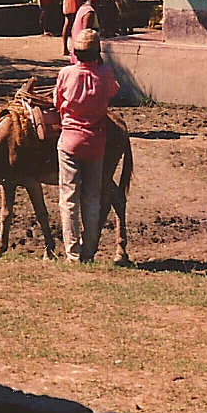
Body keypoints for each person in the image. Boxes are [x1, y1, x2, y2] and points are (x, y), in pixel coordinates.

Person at [55, 29, 120, 262]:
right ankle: (89, 251)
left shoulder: (65, 73)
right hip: (96, 144)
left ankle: (72, 253)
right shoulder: (106, 73)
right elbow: (113, 91)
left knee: (68, 197)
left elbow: (57, 101)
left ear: (75, 52)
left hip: (70, 142)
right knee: (92, 198)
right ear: (97, 52)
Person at [70, 0, 102, 64]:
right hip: (85, 53)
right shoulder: (89, 11)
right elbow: (87, 34)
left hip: (78, 49)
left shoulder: (82, 8)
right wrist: (98, 56)